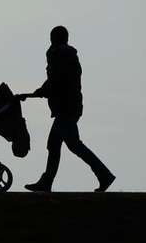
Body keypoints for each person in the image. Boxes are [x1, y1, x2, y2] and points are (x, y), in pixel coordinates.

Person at [16, 26, 115, 192]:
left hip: (66, 108)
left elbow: (58, 80)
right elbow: (57, 80)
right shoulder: (66, 54)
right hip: (70, 106)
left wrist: (41, 92)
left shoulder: (59, 54)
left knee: (70, 145)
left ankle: (103, 175)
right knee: (58, 144)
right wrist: (41, 91)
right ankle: (49, 181)